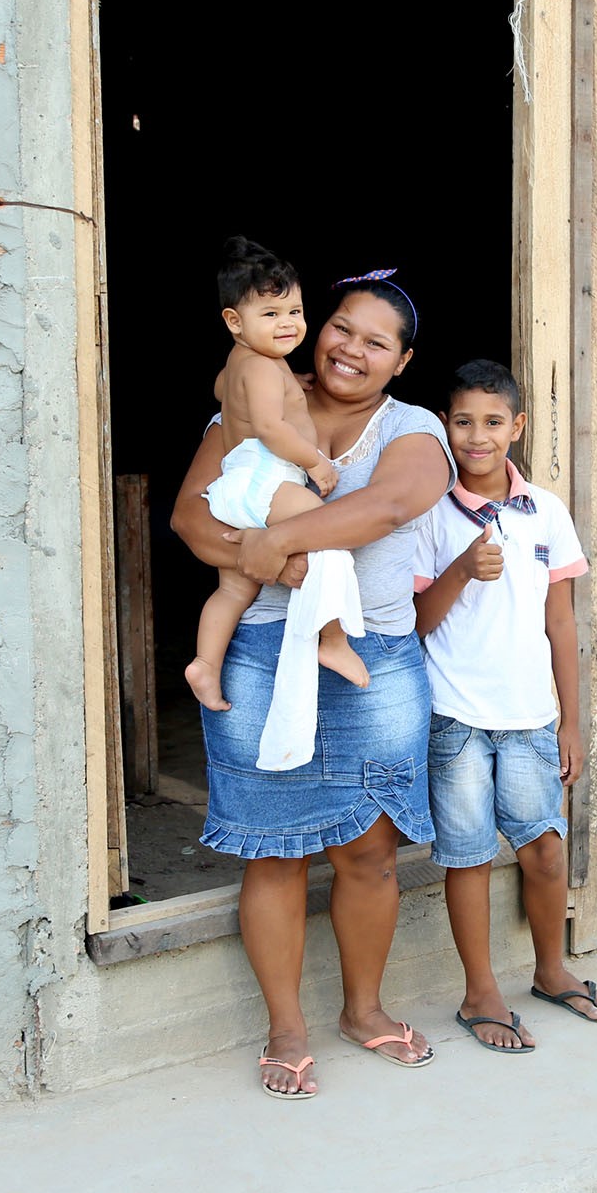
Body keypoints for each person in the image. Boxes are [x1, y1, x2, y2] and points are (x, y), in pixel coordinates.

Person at [170, 270, 453, 1100]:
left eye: (376, 341)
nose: (351, 349)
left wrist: (269, 542)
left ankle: (362, 1009)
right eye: (341, 327)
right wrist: (265, 556)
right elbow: (191, 516)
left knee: (367, 849)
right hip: (261, 652)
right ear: (313, 327)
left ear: (401, 362)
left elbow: (389, 506)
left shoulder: (413, 427)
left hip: (374, 660)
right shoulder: (260, 407)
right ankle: (285, 1027)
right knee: (273, 850)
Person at [411, 359, 597, 1052]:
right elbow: (417, 621)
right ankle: (480, 992)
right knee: (467, 857)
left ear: (517, 426)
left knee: (546, 851)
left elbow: (561, 623)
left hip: (530, 718)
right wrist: (463, 566)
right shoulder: (430, 513)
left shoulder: (545, 512)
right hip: (458, 718)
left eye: (493, 422)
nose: (477, 437)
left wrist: (572, 718)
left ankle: (551, 969)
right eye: (463, 421)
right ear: (446, 424)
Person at [185, 237, 368, 724]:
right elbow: (269, 427)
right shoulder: (266, 367)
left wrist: (289, 385)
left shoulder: (243, 364)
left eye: (294, 311)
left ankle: (205, 663)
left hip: (234, 488)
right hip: (268, 478)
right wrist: (315, 463)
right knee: (328, 535)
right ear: (233, 321)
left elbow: (225, 390)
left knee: (233, 590)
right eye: (270, 314)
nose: (287, 323)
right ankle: (334, 641)